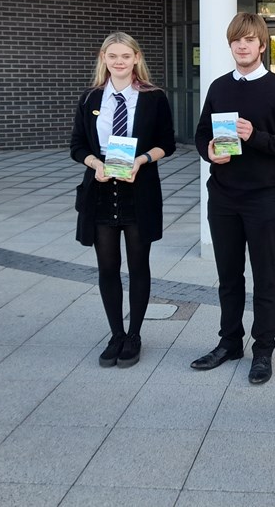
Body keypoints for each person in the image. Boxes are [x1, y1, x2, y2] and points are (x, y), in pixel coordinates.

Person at [192, 13, 275, 385]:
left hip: (263, 198)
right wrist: (210, 151)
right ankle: (229, 343)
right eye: (236, 40)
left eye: (249, 40)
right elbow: (199, 136)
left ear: (262, 45)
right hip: (223, 197)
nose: (242, 46)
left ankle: (263, 351)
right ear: (231, 46)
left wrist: (255, 136)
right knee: (228, 276)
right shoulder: (219, 87)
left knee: (264, 278)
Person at [71, 31, 176, 368]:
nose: (119, 62)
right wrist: (95, 164)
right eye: (113, 56)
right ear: (104, 59)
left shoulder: (153, 97)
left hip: (138, 189)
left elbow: (167, 143)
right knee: (107, 267)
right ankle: (115, 333)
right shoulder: (90, 99)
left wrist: (141, 160)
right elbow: (77, 146)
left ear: (136, 59)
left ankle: (134, 335)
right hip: (101, 189)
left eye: (125, 56)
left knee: (138, 265)